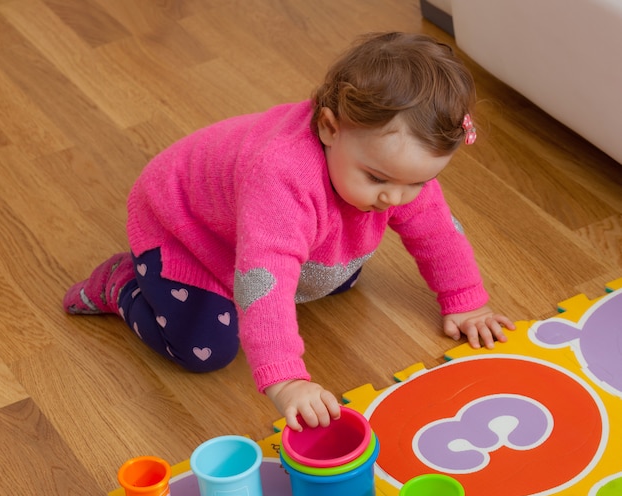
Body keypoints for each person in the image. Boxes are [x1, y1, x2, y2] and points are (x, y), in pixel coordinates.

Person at [63, 32, 515, 432]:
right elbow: (266, 277)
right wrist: (286, 379)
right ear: (328, 127)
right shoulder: (280, 174)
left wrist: (466, 301)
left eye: (415, 182)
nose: (396, 198)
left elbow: (437, 232)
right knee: (204, 351)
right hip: (185, 232)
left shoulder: (391, 170)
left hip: (256, 230)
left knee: (338, 278)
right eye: (377, 179)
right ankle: (122, 284)